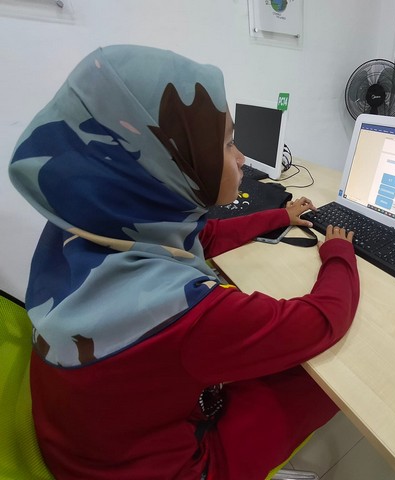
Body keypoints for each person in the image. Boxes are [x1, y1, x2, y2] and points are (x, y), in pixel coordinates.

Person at [8, 45, 359, 480]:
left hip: (85, 448)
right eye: (227, 143)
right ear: (169, 161)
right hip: (162, 470)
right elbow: (321, 321)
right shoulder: (183, 311)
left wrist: (278, 217)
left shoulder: (83, 223)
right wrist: (339, 253)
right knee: (323, 376)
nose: (241, 158)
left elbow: (199, 237)